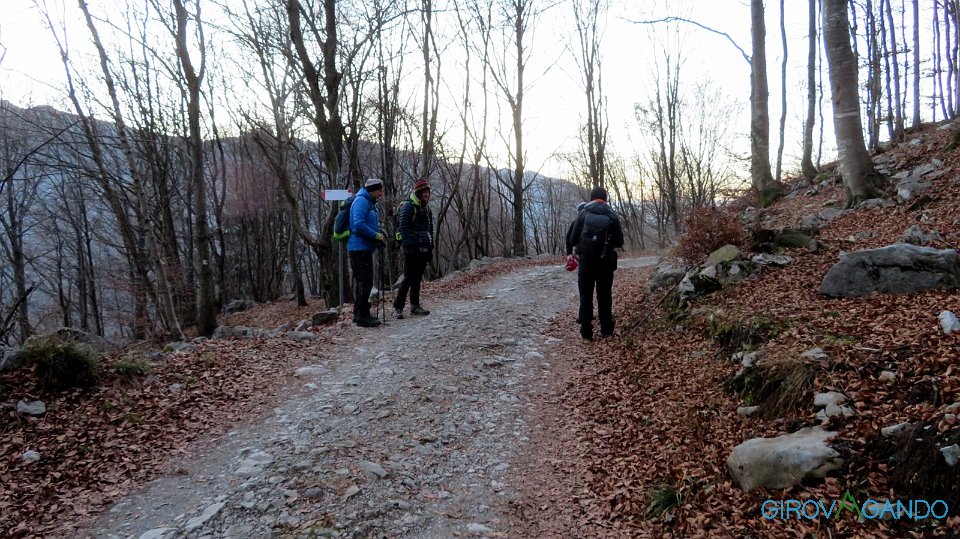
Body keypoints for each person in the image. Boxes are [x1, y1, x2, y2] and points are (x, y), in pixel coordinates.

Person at [565, 187, 624, 342]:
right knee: (604, 295)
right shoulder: (611, 215)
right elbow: (619, 242)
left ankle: (586, 333)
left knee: (586, 295)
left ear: (591, 199)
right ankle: (606, 331)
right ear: (605, 199)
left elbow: (572, 239)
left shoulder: (583, 214)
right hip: (606, 263)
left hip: (586, 262)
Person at [394, 178, 435, 318]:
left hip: (424, 247)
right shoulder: (408, 206)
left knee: (417, 278)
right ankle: (398, 308)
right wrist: (408, 245)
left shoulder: (427, 208)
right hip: (411, 248)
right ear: (418, 193)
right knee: (408, 277)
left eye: (427, 192)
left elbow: (430, 229)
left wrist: (430, 246)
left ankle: (415, 306)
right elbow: (403, 227)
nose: (426, 194)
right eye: (424, 192)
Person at [349, 178, 386, 327]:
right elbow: (358, 224)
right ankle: (363, 315)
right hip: (359, 247)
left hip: (363, 247)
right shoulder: (361, 201)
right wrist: (376, 235)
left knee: (363, 282)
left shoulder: (368, 202)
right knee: (366, 282)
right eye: (379, 190)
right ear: (372, 190)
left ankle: (358, 314)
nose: (381, 193)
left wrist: (379, 231)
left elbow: (367, 223)